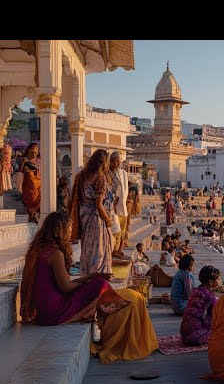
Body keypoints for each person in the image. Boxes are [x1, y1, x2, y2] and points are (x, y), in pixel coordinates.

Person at [19, 211, 158, 363]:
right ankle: (115, 315)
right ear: (60, 230)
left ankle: (112, 309)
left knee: (97, 283)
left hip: (43, 313)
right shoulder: (54, 253)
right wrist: (91, 278)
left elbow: (61, 284)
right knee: (100, 284)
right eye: (69, 228)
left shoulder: (38, 250)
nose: (71, 231)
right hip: (54, 311)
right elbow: (65, 287)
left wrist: (89, 277)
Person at [69, 149, 114, 275]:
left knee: (87, 249)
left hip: (84, 217)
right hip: (96, 219)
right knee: (98, 251)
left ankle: (87, 276)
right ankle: (97, 280)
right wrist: (108, 220)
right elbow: (99, 205)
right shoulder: (100, 178)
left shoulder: (82, 176)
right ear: (104, 163)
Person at [180, 266, 220, 346]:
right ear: (211, 282)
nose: (219, 281)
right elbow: (215, 312)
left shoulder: (196, 290)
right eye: (218, 279)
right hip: (195, 336)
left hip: (184, 333)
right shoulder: (209, 296)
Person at [109, 152, 128, 258]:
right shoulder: (107, 173)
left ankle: (120, 250)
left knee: (123, 231)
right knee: (116, 231)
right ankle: (114, 250)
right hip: (112, 207)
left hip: (123, 206)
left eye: (119, 161)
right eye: (117, 161)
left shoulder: (123, 173)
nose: (118, 163)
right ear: (111, 161)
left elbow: (125, 189)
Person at [20, 142, 41, 223]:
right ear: (28, 151)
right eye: (32, 152)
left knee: (39, 201)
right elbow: (21, 169)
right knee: (31, 201)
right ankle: (31, 216)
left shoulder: (38, 160)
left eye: (36, 152)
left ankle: (37, 216)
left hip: (38, 184)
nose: (34, 154)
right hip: (29, 185)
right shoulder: (25, 159)